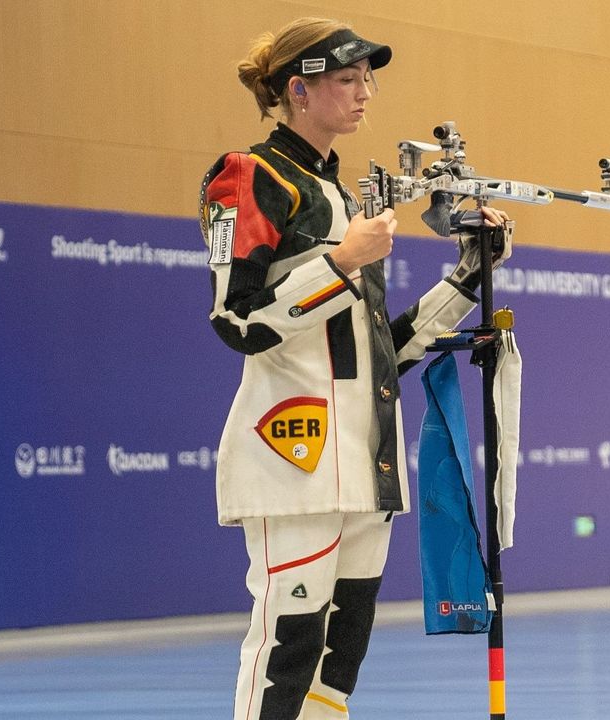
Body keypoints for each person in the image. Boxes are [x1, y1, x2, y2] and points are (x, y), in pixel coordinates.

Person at [199, 16, 510, 720]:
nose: (365, 91)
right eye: (347, 78)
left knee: (339, 661)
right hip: (295, 460)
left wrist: (466, 277)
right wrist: (341, 262)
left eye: (367, 77)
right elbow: (237, 320)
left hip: (365, 468)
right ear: (297, 92)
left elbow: (381, 355)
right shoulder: (246, 175)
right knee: (287, 650)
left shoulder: (344, 198)